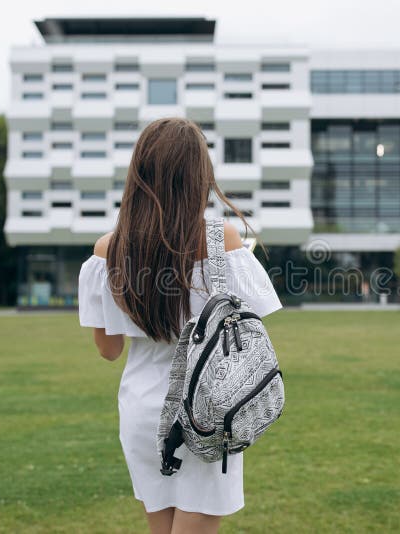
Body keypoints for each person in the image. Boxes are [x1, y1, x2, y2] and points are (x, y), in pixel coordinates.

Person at [77, 118, 282, 534]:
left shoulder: (108, 249)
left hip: (142, 410)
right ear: (198, 175)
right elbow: (249, 326)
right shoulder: (219, 240)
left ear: (140, 173)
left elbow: (108, 350)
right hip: (210, 407)